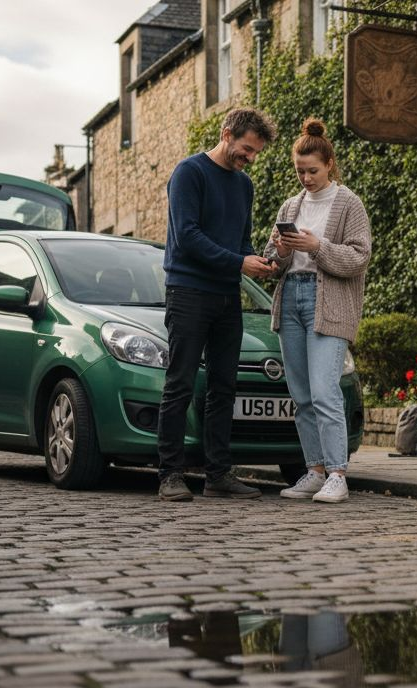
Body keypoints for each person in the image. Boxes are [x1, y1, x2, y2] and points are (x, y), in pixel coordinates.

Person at [157, 108, 278, 502]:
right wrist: (238, 261)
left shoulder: (244, 186)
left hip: (228, 296)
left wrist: (256, 261)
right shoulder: (188, 173)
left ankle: (218, 475)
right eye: (245, 150)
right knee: (180, 383)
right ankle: (171, 474)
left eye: (255, 153)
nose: (250, 159)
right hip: (189, 292)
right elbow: (188, 236)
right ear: (226, 134)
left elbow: (240, 241)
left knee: (224, 386)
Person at [265, 118, 372, 503]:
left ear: (329, 164)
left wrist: (316, 246)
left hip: (329, 305)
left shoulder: (349, 203)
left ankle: (338, 474)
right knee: (302, 395)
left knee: (326, 391)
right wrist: (279, 250)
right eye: (299, 171)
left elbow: (359, 258)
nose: (306, 178)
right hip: (290, 300)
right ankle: (314, 471)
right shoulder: (291, 204)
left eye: (312, 171)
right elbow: (273, 264)